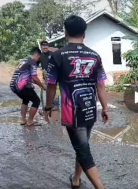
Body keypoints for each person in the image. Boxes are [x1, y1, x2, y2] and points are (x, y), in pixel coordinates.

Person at [43, 15, 108, 189]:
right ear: (84, 34)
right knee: (82, 146)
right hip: (89, 108)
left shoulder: (58, 56)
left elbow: (50, 85)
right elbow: (101, 85)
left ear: (65, 33)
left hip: (72, 111)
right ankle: (76, 179)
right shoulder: (95, 56)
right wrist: (105, 108)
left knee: (83, 151)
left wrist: (48, 107)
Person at [10, 47, 46, 126]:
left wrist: (39, 84)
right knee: (36, 101)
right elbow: (35, 78)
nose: (39, 60)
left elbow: (30, 78)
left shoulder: (24, 60)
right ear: (36, 55)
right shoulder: (32, 62)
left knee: (25, 100)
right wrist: (43, 86)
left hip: (13, 85)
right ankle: (30, 121)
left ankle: (23, 120)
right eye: (39, 57)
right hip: (21, 85)